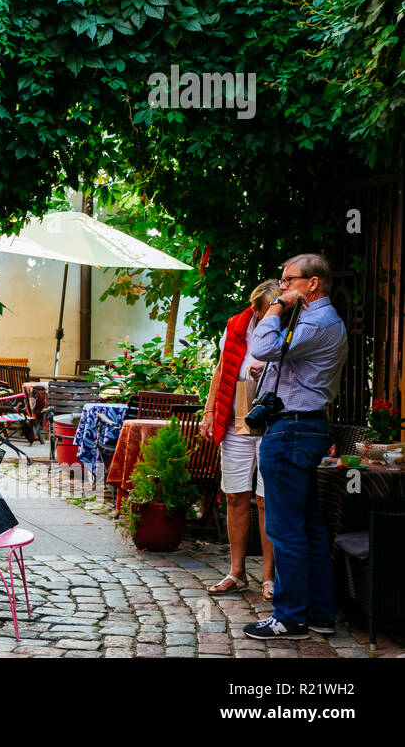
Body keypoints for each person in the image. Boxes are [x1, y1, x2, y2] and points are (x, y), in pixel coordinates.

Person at [242, 254, 347, 640]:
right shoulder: (319, 321)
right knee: (309, 528)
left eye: (288, 280)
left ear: (312, 283)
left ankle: (290, 617)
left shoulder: (318, 320)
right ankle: (319, 614)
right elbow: (282, 359)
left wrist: (275, 306)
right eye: (281, 282)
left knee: (286, 530)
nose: (282, 286)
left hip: (292, 430)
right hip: (302, 427)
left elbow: (263, 344)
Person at [202, 279, 280, 599]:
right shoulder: (237, 326)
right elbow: (222, 368)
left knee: (266, 500)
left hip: (273, 419)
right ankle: (236, 572)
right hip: (237, 416)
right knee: (235, 496)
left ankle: (268, 577)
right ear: (255, 308)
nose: (265, 321)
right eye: (261, 315)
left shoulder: (291, 330)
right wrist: (209, 411)